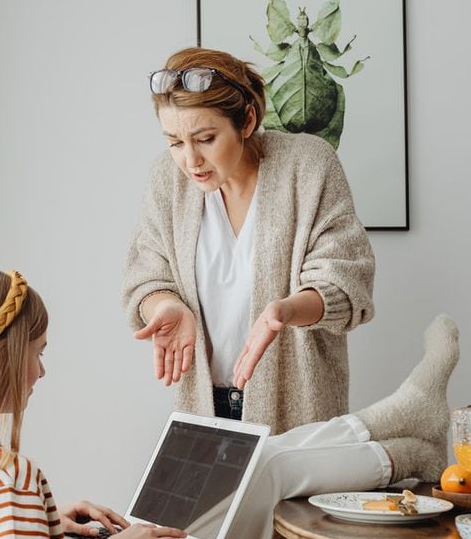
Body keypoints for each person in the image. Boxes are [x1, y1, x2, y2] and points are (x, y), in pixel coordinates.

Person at [0, 265, 459, 539]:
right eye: (36, 352)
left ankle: (409, 433)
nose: (41, 369)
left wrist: (47, 521)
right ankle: (407, 434)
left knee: (254, 461)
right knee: (259, 469)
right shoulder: (5, 475)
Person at [121, 47, 375, 434]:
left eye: (205, 138)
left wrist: (286, 311)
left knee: (294, 498)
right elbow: (147, 273)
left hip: (300, 409)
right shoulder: (166, 181)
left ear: (247, 121)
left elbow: (344, 281)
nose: (190, 161)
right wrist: (167, 304)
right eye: (174, 142)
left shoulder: (308, 164)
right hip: (204, 408)